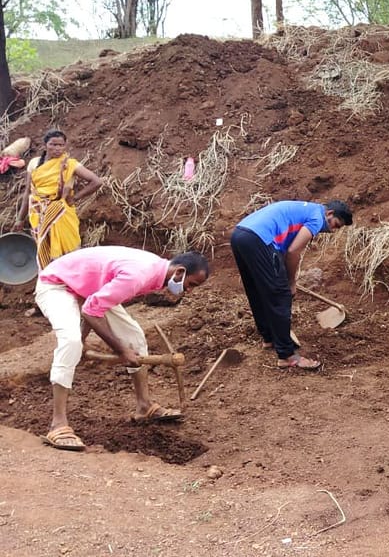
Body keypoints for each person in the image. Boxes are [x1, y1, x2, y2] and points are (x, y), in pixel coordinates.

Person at [35, 246, 210, 451]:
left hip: (84, 287)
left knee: (134, 338)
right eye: (191, 285)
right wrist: (120, 351)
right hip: (57, 284)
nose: (188, 291)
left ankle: (144, 406)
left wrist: (90, 340)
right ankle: (58, 425)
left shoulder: (156, 273)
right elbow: (91, 311)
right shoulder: (140, 275)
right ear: (180, 272)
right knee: (70, 341)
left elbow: (94, 303)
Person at [231, 200, 353, 370]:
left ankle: (269, 338)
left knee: (256, 290)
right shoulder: (317, 218)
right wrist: (291, 282)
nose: (332, 230)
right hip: (259, 238)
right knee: (281, 295)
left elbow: (284, 247)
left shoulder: (306, 209)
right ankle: (287, 356)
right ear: (329, 214)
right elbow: (293, 251)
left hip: (240, 234)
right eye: (335, 225)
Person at [16, 129, 104, 269]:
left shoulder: (70, 164)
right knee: (45, 249)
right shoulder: (34, 163)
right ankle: (51, 282)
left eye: (61, 145)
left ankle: (73, 282)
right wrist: (20, 219)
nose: (57, 148)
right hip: (38, 215)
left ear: (65, 146)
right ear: (45, 145)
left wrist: (75, 198)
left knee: (69, 251)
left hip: (61, 214)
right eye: (53, 144)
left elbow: (96, 182)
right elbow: (27, 193)